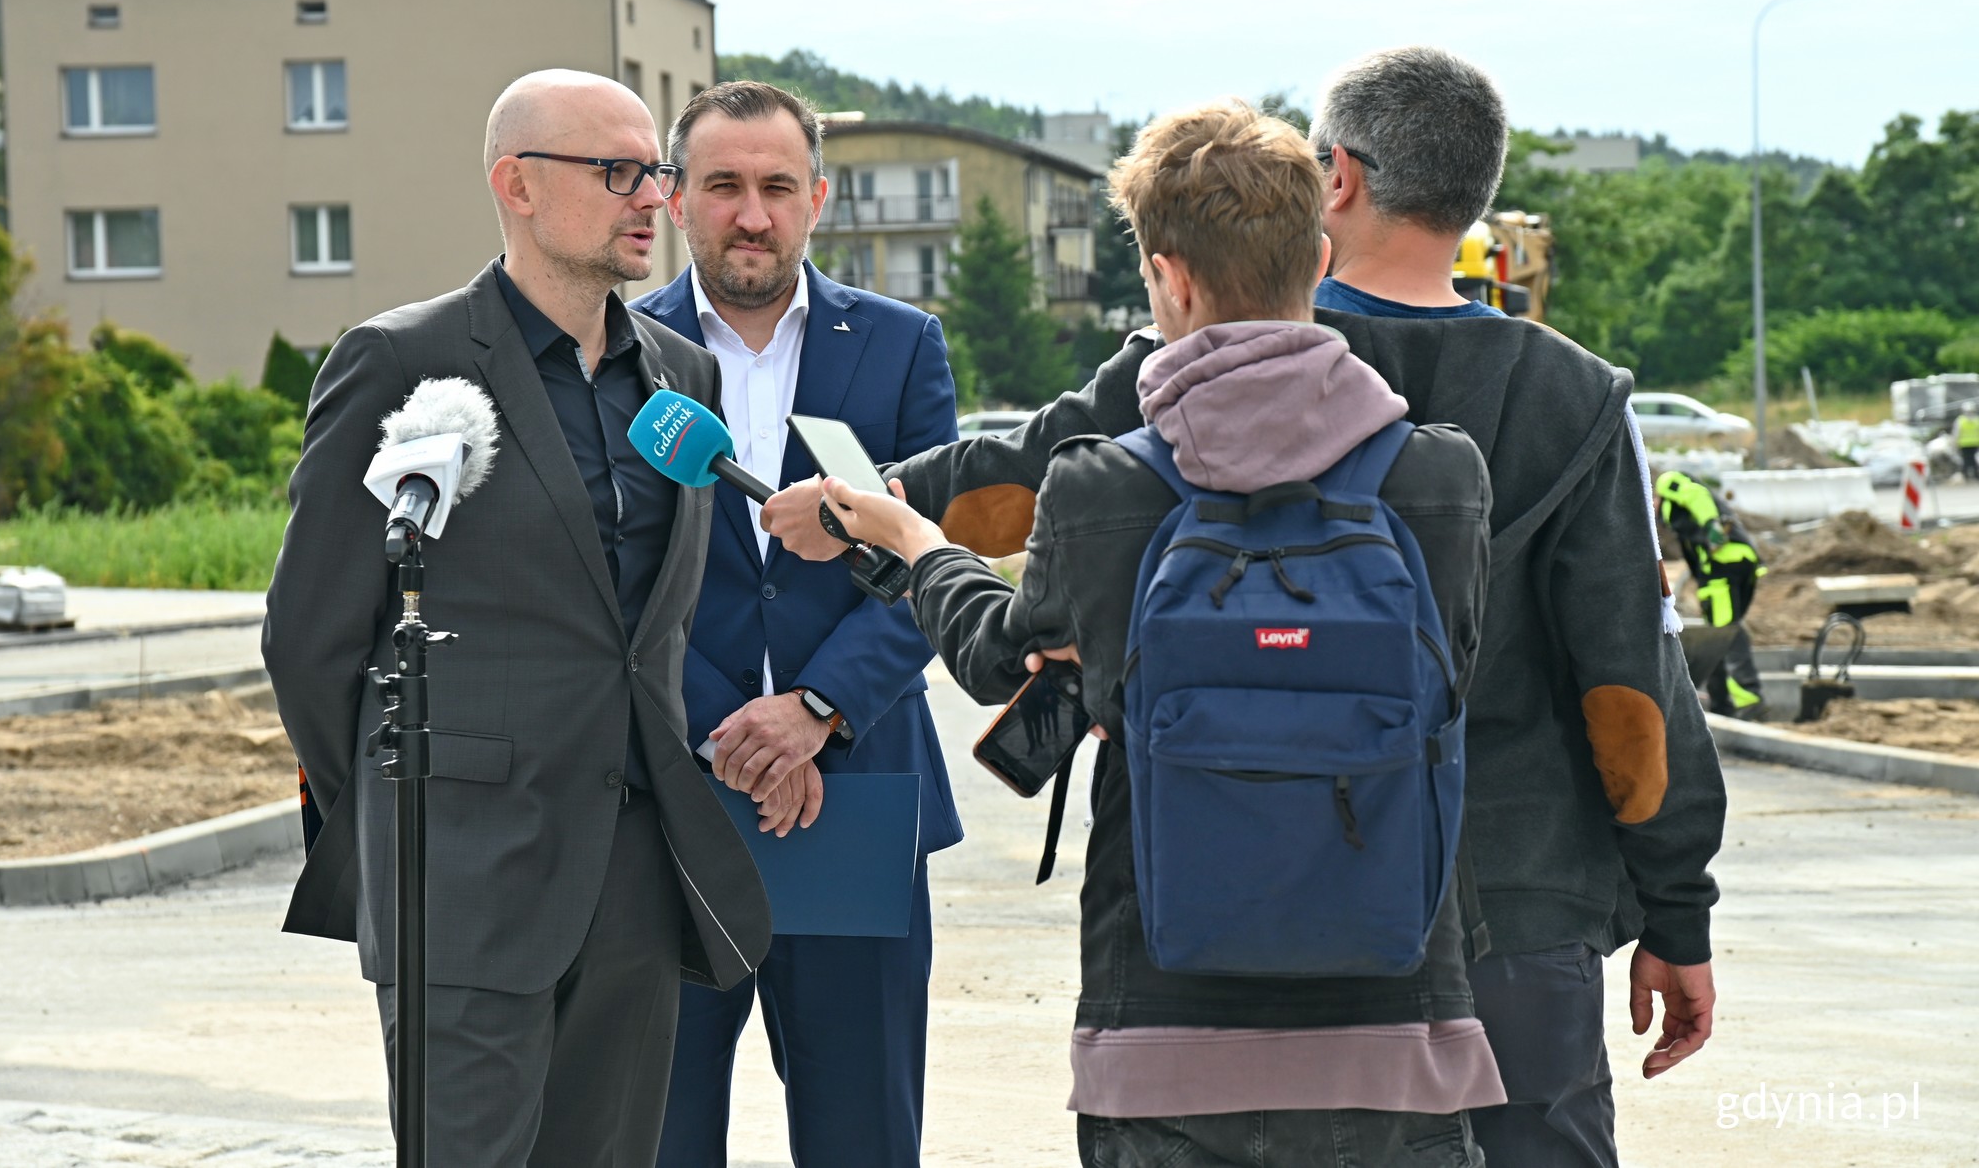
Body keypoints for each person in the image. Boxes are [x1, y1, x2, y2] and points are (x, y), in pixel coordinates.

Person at [767, 46, 1728, 1168]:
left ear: (1338, 181)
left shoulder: (1180, 366)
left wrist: (878, 507)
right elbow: (1629, 689)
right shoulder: (1563, 401)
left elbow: (1012, 483)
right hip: (1498, 922)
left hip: (1210, 907)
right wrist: (1675, 912)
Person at [816, 100, 1504, 1165]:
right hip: (1396, 1028)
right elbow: (1445, 676)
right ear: (1317, 257)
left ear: (1170, 278)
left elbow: (998, 650)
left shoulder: (1105, 483)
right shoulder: (1438, 475)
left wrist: (916, 542)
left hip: (1165, 1033)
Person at [264, 69, 770, 1168]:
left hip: (635, 874)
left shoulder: (679, 377)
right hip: (462, 878)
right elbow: (310, 640)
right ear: (518, 186)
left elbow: (654, 630)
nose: (651, 198)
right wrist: (409, 810)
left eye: (657, 172)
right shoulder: (403, 362)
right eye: (618, 171)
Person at [631, 81, 960, 1168]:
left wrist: (816, 708)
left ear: (816, 197)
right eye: (722, 185)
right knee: (658, 1132)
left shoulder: (904, 347)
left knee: (863, 1135)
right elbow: (604, 577)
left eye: (776, 186)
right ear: (677, 197)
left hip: (857, 799)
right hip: (672, 798)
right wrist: (741, 732)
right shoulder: (612, 353)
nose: (751, 214)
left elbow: (932, 556)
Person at [1655, 470, 1766, 719]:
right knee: (1717, 635)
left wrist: (1711, 527)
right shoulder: (1678, 520)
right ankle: (1722, 704)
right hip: (1731, 564)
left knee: (1726, 633)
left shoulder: (1668, 482)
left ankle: (1748, 699)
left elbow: (1696, 494)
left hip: (1723, 564)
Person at [1956, 405, 1979, 482]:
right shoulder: (1976, 420)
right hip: (1974, 443)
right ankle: (1975, 475)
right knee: (1973, 459)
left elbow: (1956, 433)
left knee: (1966, 460)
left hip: (1964, 444)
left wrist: (1955, 442)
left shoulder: (1960, 420)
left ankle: (1966, 475)